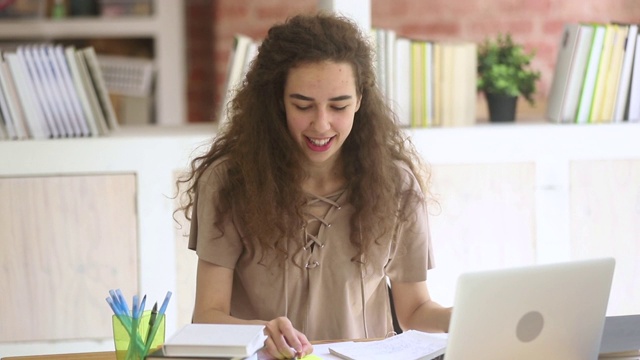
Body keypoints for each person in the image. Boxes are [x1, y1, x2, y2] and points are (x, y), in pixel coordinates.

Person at [177, 12, 452, 360]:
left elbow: (413, 311)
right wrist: (262, 333)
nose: (321, 124)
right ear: (278, 100)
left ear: (360, 101)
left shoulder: (397, 187)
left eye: (339, 106)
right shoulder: (229, 182)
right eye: (303, 105)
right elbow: (206, 316)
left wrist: (458, 318)